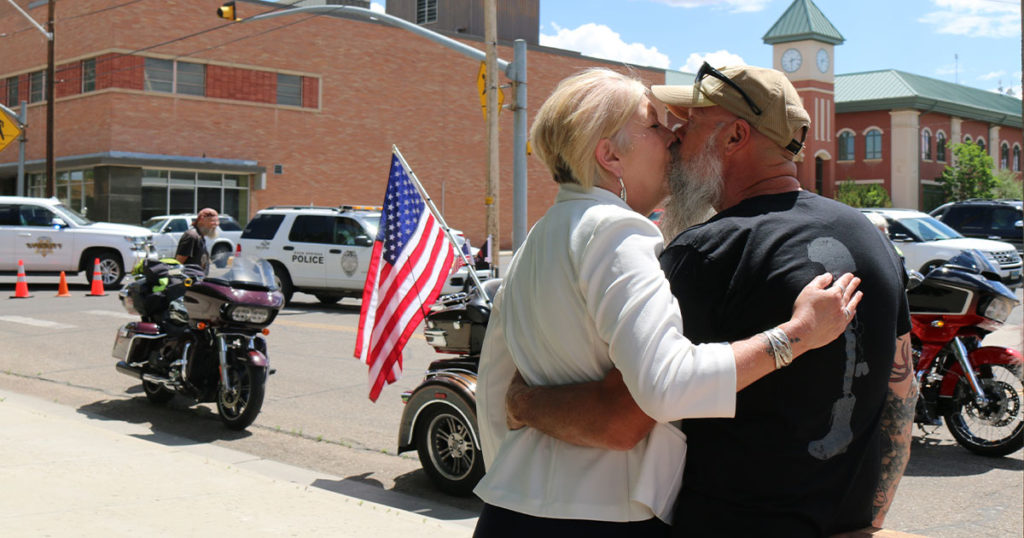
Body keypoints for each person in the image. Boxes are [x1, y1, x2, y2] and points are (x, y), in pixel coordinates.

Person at [505, 64, 917, 537]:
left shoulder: (705, 253)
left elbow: (623, 416)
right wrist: (870, 516)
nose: (676, 135)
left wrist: (522, 403)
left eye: (691, 121)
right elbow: (900, 390)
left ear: (735, 135)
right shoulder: (871, 238)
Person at [175, 208, 218, 273]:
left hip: (199, 279)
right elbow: (178, 263)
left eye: (217, 221)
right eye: (213, 221)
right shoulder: (191, 236)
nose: (216, 224)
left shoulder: (201, 236)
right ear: (201, 220)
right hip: (189, 280)